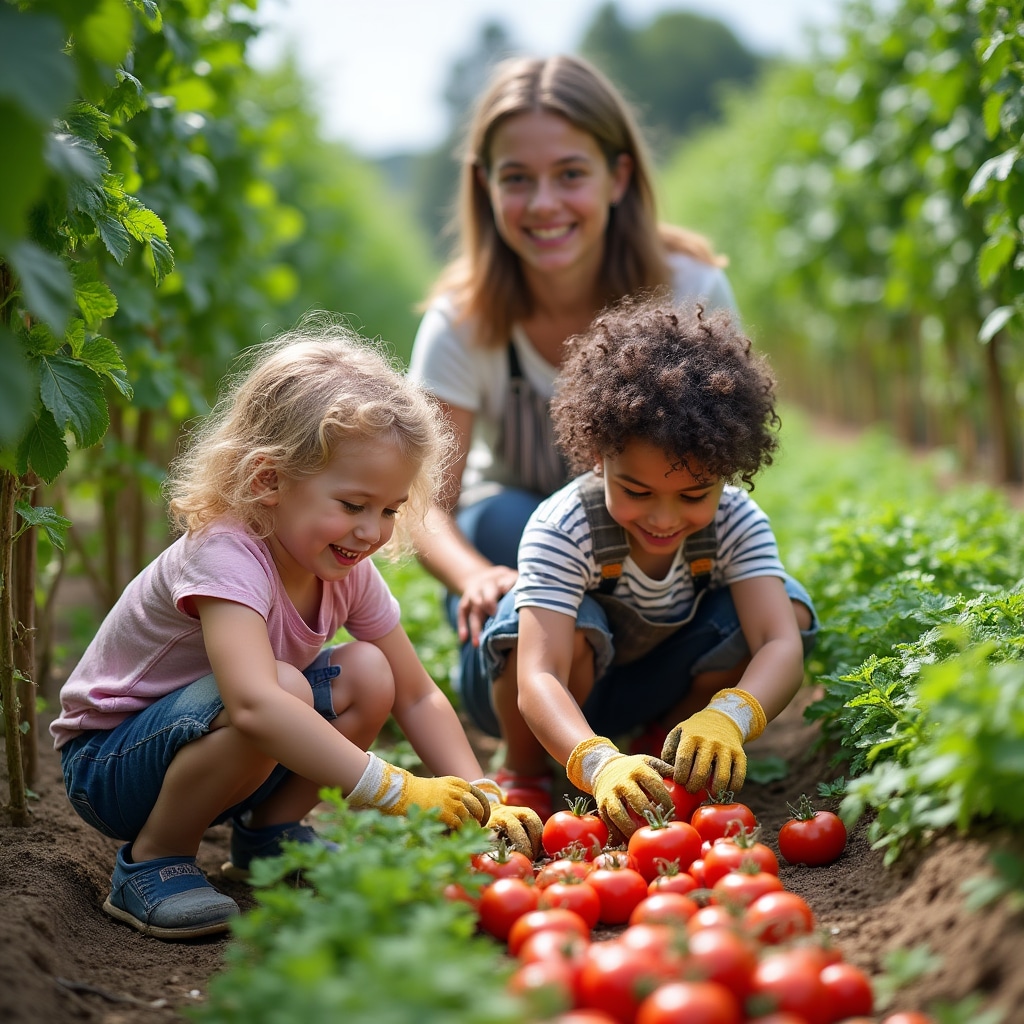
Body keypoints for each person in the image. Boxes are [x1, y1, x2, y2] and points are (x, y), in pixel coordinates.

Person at [50, 321, 541, 942]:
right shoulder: (226, 553)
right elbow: (255, 705)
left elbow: (416, 695)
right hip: (112, 767)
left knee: (369, 671)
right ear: (269, 481)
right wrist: (395, 789)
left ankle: (270, 838)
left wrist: (482, 794)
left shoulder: (343, 567)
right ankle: (152, 861)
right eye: (353, 504)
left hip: (219, 752)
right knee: (279, 688)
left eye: (389, 511)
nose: (371, 532)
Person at [407, 54, 739, 808]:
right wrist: (474, 577)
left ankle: (660, 738)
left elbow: (720, 452)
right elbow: (424, 502)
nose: (544, 202)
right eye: (516, 177)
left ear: (618, 177)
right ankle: (546, 733)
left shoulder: (688, 288)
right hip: (528, 571)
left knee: (741, 595)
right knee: (511, 520)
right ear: (484, 185)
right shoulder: (462, 322)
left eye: (570, 173)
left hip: (654, 578)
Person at [476, 297, 819, 838]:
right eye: (636, 491)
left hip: (650, 682)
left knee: (788, 608)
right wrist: (595, 762)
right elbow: (538, 675)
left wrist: (728, 715)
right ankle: (524, 770)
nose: (663, 517)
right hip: (546, 698)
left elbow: (780, 643)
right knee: (533, 625)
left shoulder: (735, 522)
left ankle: (668, 743)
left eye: (693, 495)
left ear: (727, 471)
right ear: (598, 457)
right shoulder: (565, 526)